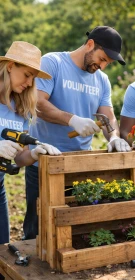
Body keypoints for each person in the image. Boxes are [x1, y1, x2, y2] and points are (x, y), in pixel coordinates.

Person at [24, 26, 131, 240]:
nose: (101, 66)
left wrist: (115, 137)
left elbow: (108, 116)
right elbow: (37, 104)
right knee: (37, 228)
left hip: (80, 164)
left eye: (106, 64)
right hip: (43, 160)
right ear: (90, 45)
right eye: (102, 59)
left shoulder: (101, 80)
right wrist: (72, 119)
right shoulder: (53, 63)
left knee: (74, 228)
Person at [0, 41, 61, 244]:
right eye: (27, 74)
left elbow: (19, 157)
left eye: (33, 78)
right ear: (10, 66)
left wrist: (35, 153)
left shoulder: (20, 107)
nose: (29, 83)